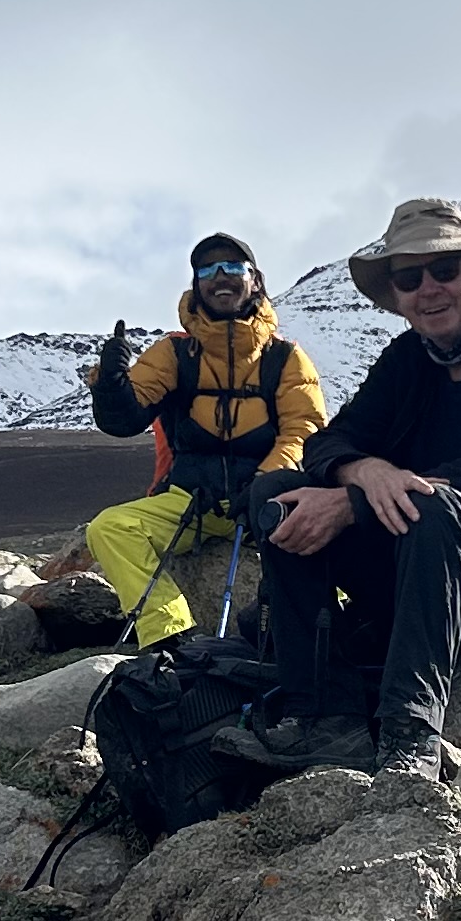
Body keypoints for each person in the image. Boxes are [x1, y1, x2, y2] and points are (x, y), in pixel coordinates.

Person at [216, 200, 461, 784]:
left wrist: (350, 505)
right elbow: (328, 444)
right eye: (409, 278)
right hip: (426, 582)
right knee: (278, 493)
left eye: (444, 271)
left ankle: (410, 736)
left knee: (436, 504)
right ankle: (326, 718)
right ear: (397, 296)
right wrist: (363, 472)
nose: (429, 289)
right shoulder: (407, 359)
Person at [75, 233, 330, 643]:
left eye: (232, 267)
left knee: (330, 552)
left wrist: (264, 484)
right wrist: (110, 384)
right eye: (207, 270)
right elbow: (125, 419)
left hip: (265, 503)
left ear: (255, 281)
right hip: (189, 502)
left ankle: (328, 632)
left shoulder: (286, 359)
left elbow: (303, 432)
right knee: (109, 528)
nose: (219, 277)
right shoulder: (173, 354)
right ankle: (168, 632)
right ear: (196, 284)